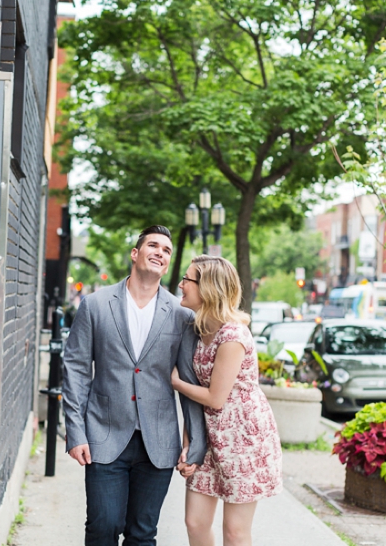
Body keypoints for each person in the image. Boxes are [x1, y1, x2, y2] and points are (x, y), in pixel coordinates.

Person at [62, 225, 208, 546]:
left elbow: (188, 380)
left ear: (168, 263)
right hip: (104, 434)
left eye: (166, 250)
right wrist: (75, 431)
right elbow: (75, 369)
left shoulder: (180, 315)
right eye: (153, 245)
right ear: (135, 253)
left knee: (142, 534)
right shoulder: (96, 305)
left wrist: (195, 443)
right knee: (103, 526)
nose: (159, 252)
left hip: (158, 443)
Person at [171, 255, 283, 546]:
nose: (181, 284)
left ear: (207, 287)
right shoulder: (196, 331)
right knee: (195, 522)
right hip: (209, 438)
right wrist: (188, 443)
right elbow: (197, 401)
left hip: (243, 440)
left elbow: (215, 398)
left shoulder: (233, 335)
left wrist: (174, 382)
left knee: (234, 532)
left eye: (187, 279)